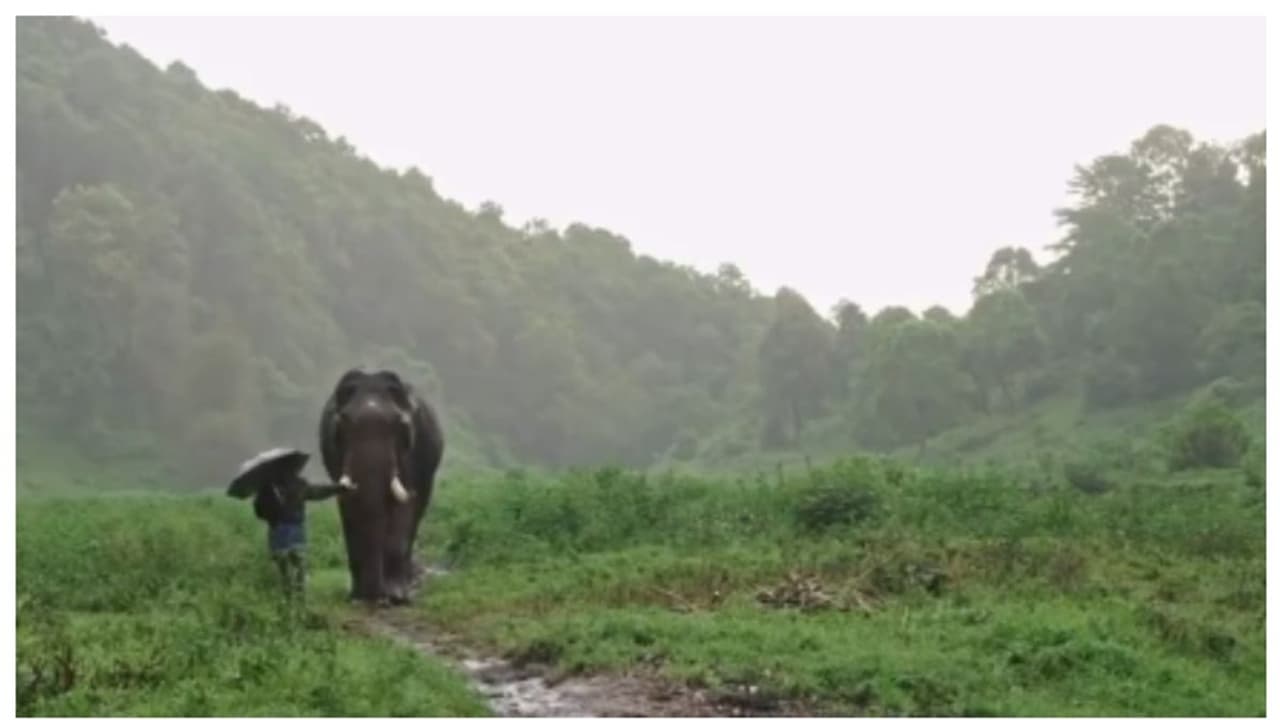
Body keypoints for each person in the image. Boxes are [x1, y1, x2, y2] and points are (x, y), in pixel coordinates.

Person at [253, 473, 350, 601]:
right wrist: (340, 487)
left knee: (283, 569)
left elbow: (259, 512)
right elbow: (318, 492)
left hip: (277, 531)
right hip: (296, 530)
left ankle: (287, 599)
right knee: (299, 566)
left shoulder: (265, 488)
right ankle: (300, 599)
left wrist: (272, 513)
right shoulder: (298, 483)